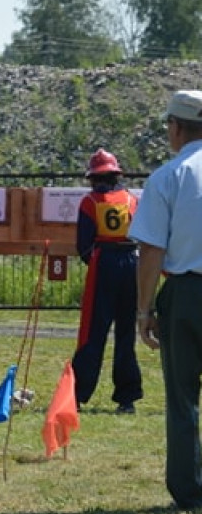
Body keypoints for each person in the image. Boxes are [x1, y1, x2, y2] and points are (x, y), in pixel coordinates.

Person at [129, 89, 202, 511]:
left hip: (187, 292)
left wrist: (144, 309)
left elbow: (152, 249)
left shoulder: (168, 177)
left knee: (183, 396)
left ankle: (190, 490)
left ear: (176, 128)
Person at [71, 148, 142, 414]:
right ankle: (127, 397)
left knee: (93, 331)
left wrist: (98, 263)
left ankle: (78, 393)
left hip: (104, 263)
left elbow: (83, 246)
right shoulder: (131, 200)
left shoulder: (90, 203)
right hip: (131, 262)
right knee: (126, 333)